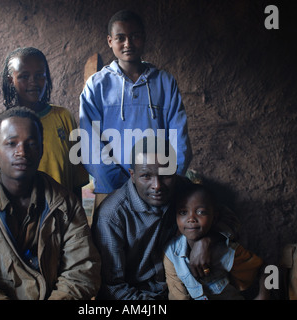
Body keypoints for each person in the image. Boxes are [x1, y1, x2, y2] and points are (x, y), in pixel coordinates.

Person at [0, 107, 101, 300]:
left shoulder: (65, 204)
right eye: (11, 143)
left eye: (31, 144)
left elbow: (81, 273)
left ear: (41, 150)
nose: (21, 152)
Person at [91, 137, 237, 300]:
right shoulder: (112, 216)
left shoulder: (183, 188)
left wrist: (207, 241)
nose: (157, 185)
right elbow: (113, 287)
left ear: (174, 171)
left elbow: (229, 219)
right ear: (132, 175)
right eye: (146, 176)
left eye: (165, 174)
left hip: (185, 288)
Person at [80, 9, 192, 210]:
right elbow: (90, 143)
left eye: (135, 37)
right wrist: (116, 182)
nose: (128, 44)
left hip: (158, 188)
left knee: (159, 240)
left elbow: (179, 138)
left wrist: (165, 179)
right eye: (120, 38)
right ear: (109, 41)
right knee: (111, 239)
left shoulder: (165, 82)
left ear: (144, 38)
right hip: (111, 189)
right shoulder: (96, 85)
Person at [0, 47, 88, 200]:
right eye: (24, 76)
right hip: (14, 218)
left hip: (59, 215)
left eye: (39, 75)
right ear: (10, 80)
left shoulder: (63, 118)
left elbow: (77, 179)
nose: (33, 82)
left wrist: (76, 217)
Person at [164, 183, 268, 300]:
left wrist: (263, 296)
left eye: (201, 212)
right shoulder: (171, 254)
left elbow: (266, 269)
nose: (191, 219)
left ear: (215, 218)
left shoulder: (226, 251)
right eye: (183, 212)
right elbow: (177, 295)